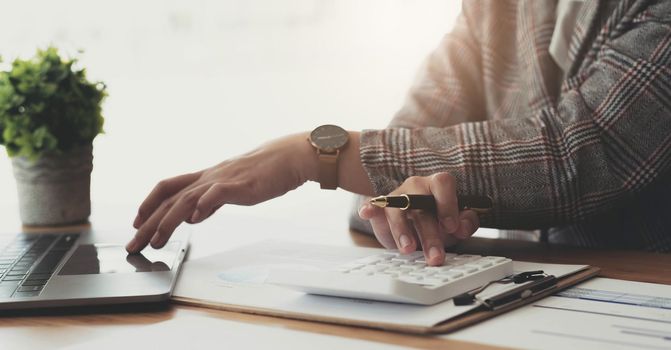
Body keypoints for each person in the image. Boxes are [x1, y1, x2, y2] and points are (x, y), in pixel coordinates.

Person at [126, 0, 671, 265]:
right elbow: (402, 143)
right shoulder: (496, 9)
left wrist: (314, 155)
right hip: (542, 303)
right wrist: (402, 204)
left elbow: (578, 154)